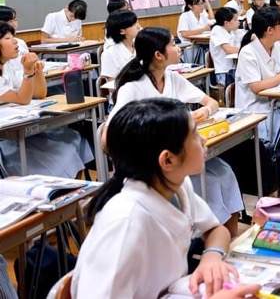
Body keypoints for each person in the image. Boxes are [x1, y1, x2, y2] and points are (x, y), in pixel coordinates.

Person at [71, 98, 259, 298]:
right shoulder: (125, 223)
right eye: (195, 134)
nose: (203, 139)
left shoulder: (176, 185)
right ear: (168, 159)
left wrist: (211, 257)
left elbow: (215, 229)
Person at [111, 27, 243, 236]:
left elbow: (210, 101)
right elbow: (111, 132)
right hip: (159, 161)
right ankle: (200, 235)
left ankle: (228, 236)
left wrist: (206, 110)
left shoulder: (172, 78)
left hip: (181, 149)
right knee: (212, 180)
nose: (178, 48)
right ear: (158, 55)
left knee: (226, 172)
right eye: (173, 44)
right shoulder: (133, 88)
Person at [0, 22, 92, 178]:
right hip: (7, 139)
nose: (15, 41)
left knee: (72, 139)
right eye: (8, 38)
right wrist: (29, 72)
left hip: (21, 127)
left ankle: (74, 191)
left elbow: (40, 94)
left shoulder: (8, 66)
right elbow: (22, 98)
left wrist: (37, 71)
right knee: (60, 153)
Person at [235, 8, 280, 140]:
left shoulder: (276, 46)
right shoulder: (248, 52)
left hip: (277, 103)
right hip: (258, 110)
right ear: (270, 30)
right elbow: (256, 87)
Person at [100, 10, 140, 80]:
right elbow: (111, 86)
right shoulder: (109, 53)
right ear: (122, 31)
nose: (139, 27)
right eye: (134, 24)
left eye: (138, 22)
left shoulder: (140, 45)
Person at [209, 7, 239, 87]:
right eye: (235, 20)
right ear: (226, 23)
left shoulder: (231, 31)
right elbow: (228, 50)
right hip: (223, 71)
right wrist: (245, 49)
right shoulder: (217, 30)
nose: (238, 22)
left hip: (232, 69)